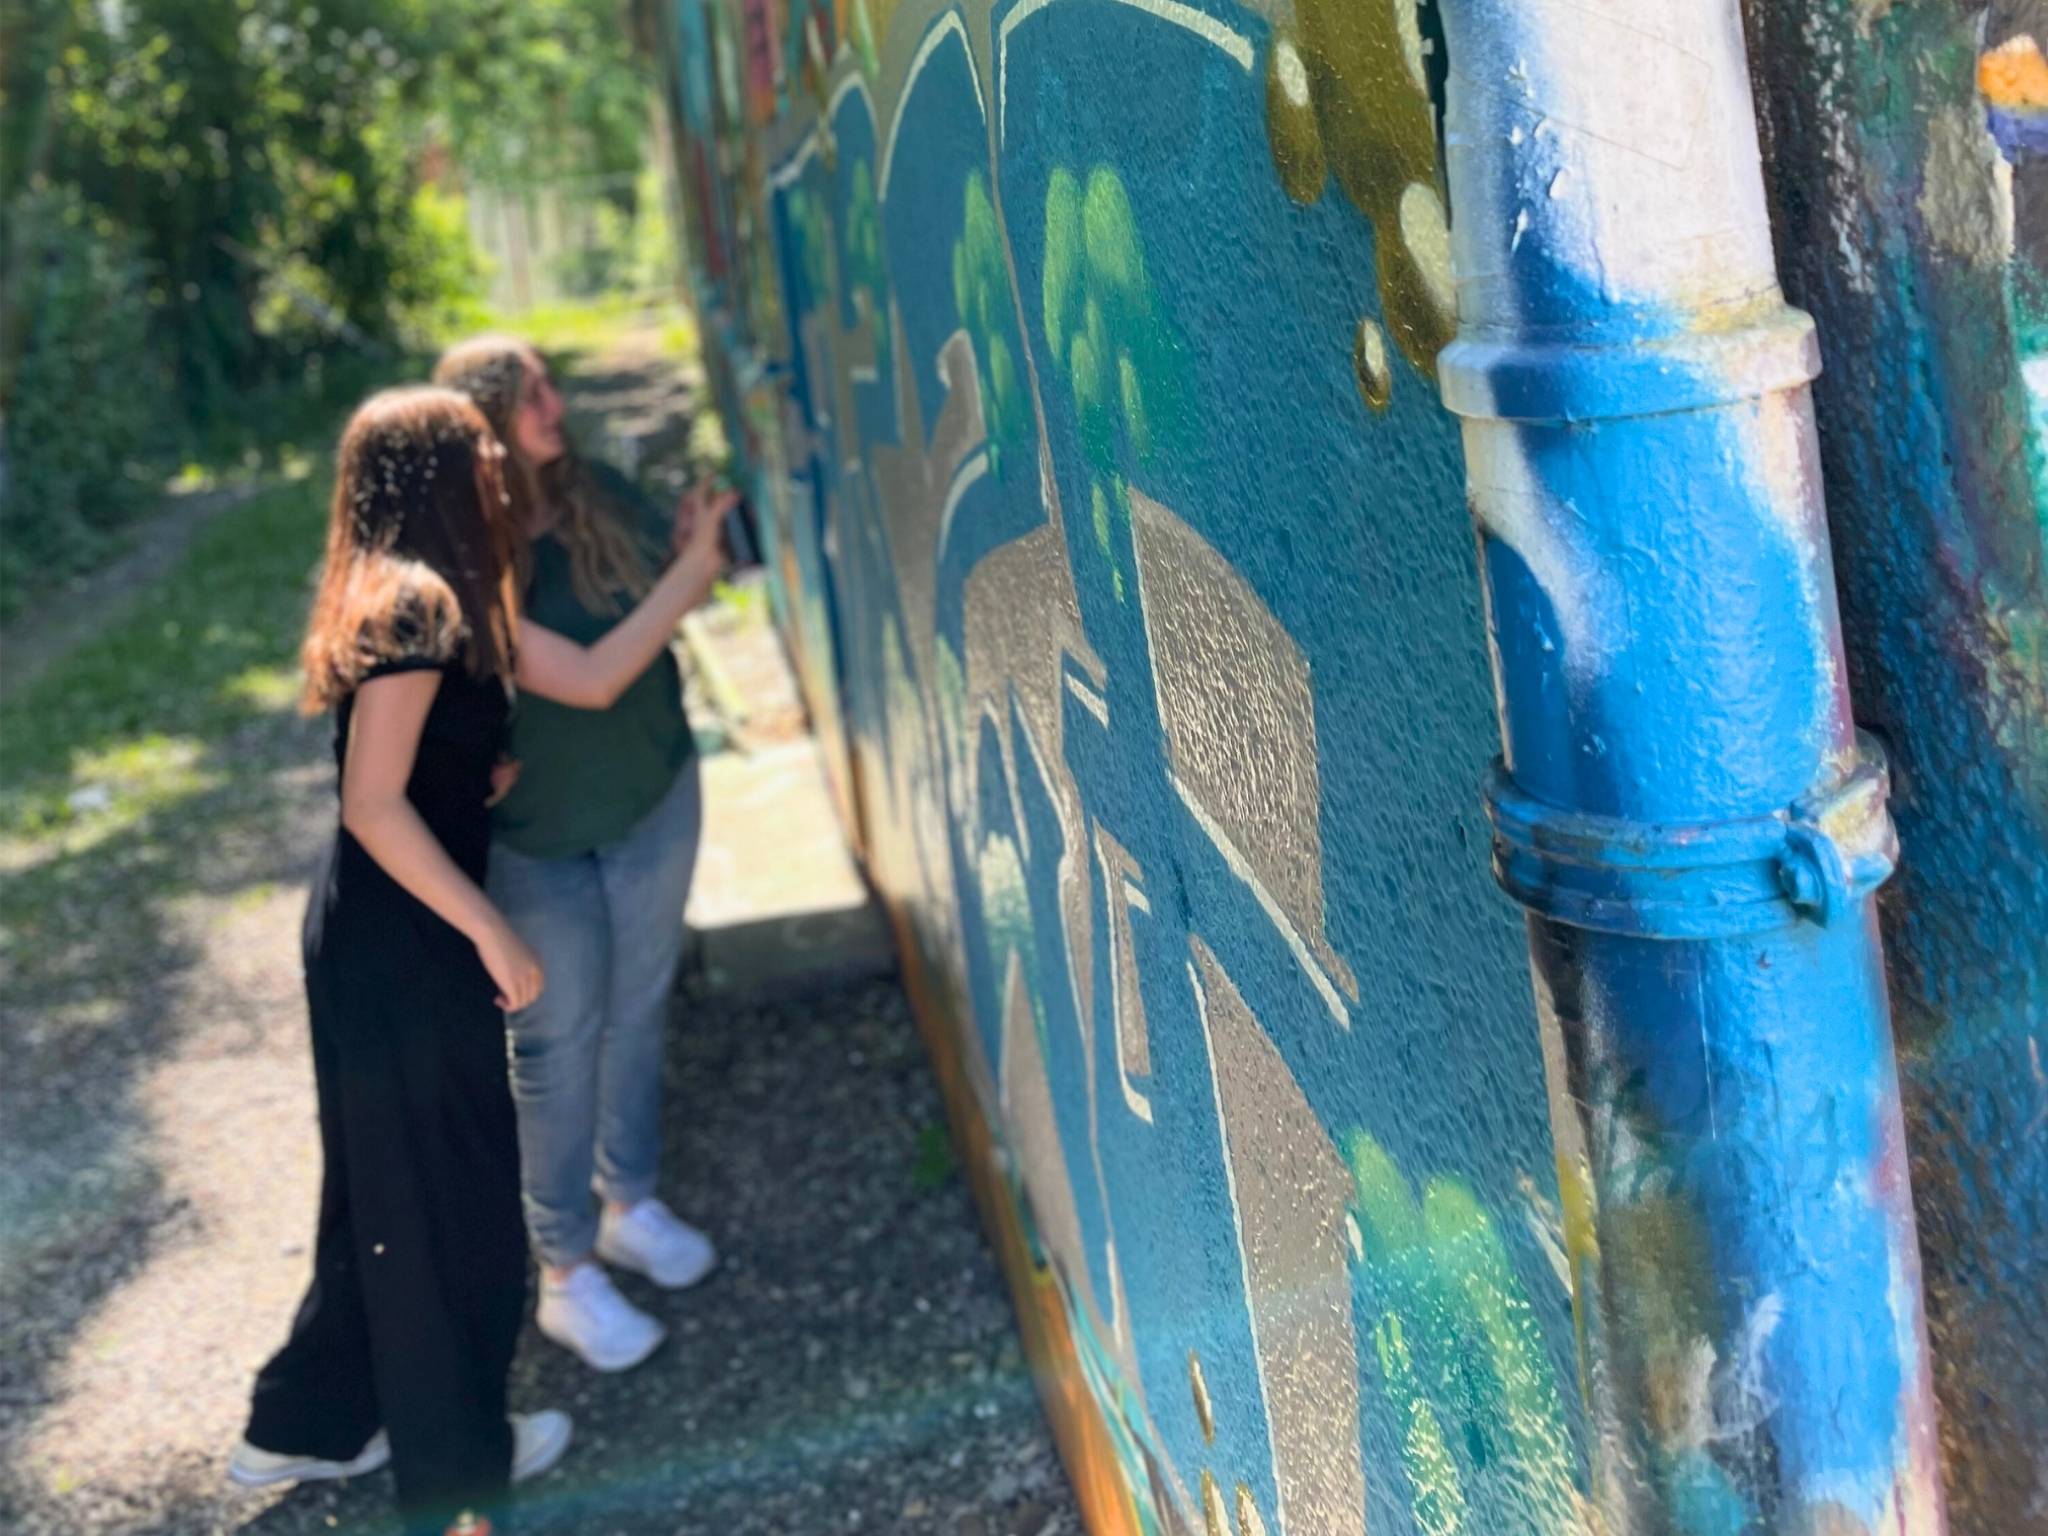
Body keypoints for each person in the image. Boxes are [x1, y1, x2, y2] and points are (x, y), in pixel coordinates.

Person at [228, 385, 729, 1535]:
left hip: (388, 932)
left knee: (382, 1190)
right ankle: (459, 1466)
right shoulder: (413, 605)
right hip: (404, 940)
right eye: (477, 454)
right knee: (448, 1207)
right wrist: (492, 927)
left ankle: (306, 1420)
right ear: (436, 477)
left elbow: (424, 757)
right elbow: (370, 802)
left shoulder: (435, 589)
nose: (499, 464)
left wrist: (472, 772)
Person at [431, 335, 734, 1374]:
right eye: (528, 396)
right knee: (558, 1047)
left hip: (652, 796)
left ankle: (629, 1203)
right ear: (481, 425)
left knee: (637, 1011)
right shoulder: (464, 558)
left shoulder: (593, 490)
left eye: (552, 385)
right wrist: (690, 574)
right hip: (537, 841)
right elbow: (594, 676)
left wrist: (690, 553)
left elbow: (668, 608)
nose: (554, 405)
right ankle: (564, 1271)